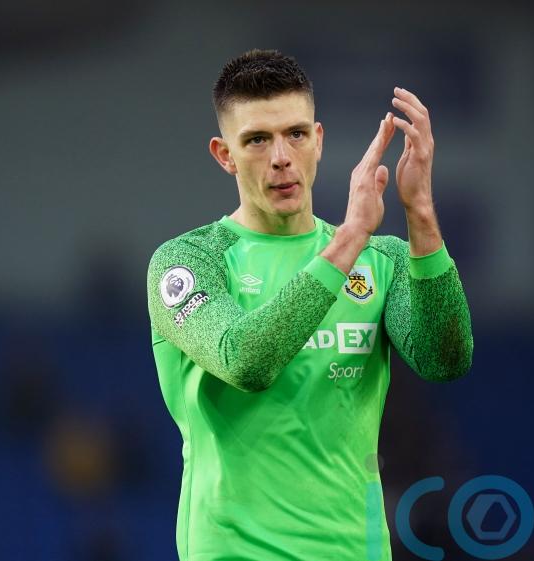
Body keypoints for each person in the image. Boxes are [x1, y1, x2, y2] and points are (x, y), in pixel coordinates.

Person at [147, 49, 473, 561]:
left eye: (295, 134)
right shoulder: (188, 262)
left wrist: (421, 215)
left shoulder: (380, 261)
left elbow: (445, 360)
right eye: (257, 139)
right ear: (224, 154)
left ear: (318, 140)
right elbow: (245, 360)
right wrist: (349, 239)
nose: (281, 157)